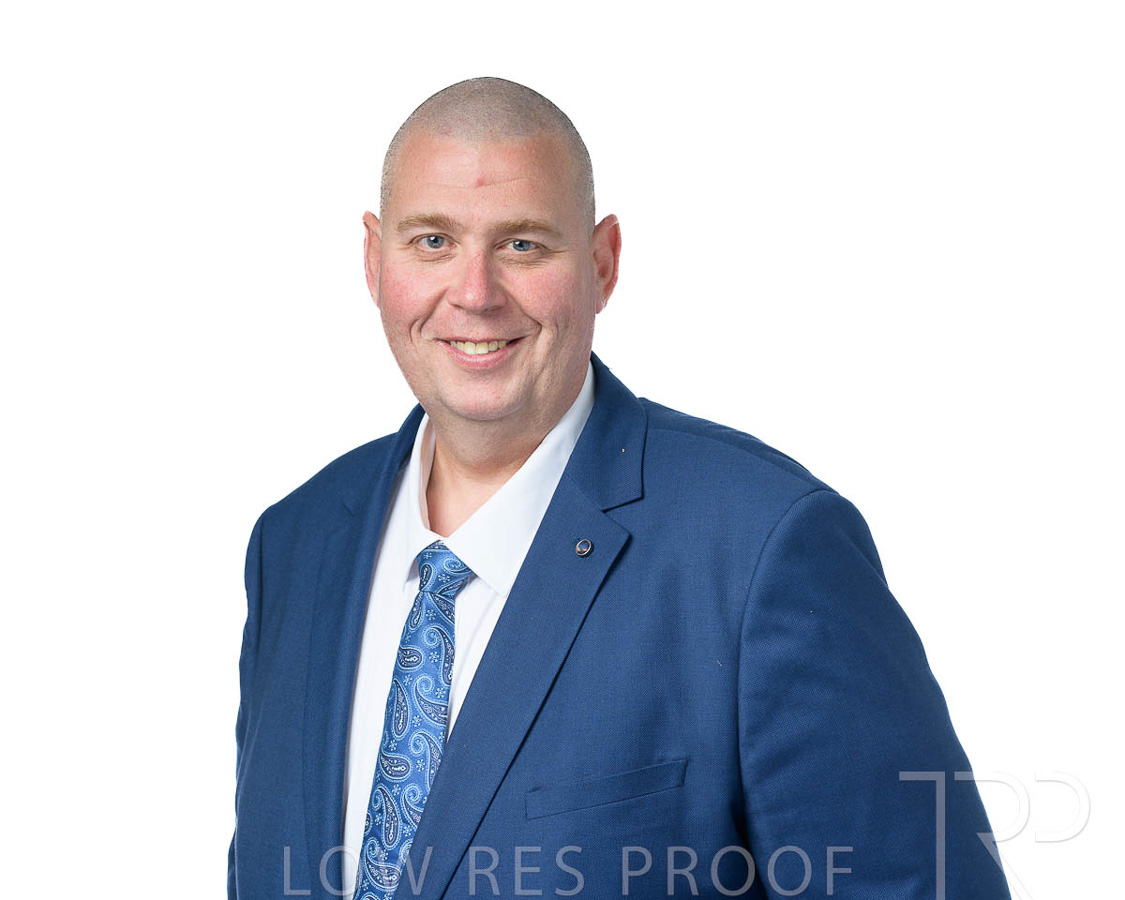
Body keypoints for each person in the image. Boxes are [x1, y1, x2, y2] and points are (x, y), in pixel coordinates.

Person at [229, 77, 1011, 900]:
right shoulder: (295, 544)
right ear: (373, 258)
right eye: (432, 241)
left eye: (522, 245)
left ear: (601, 264)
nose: (474, 293)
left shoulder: (762, 548)